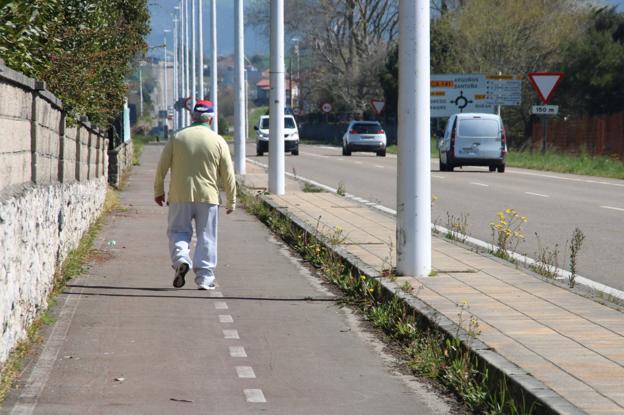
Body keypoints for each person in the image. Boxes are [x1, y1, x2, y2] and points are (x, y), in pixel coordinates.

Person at [153, 100, 236, 290]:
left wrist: (159, 191)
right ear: (211, 119)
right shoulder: (218, 141)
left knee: (178, 232)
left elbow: (162, 167)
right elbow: (228, 174)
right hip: (208, 197)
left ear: (192, 117)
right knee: (206, 236)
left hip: (179, 195)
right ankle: (205, 278)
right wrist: (231, 200)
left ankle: (182, 259)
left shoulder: (178, 137)